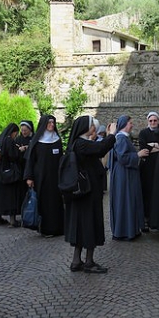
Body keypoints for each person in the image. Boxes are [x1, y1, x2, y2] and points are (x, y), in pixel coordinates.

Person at [65, 116, 117, 274]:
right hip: (89, 191)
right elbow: (101, 149)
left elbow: (97, 148)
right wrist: (112, 134)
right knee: (89, 223)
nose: (94, 128)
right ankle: (88, 262)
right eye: (92, 126)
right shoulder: (82, 144)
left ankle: (76, 260)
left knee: (81, 225)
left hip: (82, 191)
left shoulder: (78, 143)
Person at [109, 115, 149, 241]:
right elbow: (123, 158)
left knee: (129, 200)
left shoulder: (123, 138)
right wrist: (138, 155)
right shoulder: (121, 138)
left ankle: (130, 229)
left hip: (126, 173)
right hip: (124, 175)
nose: (132, 125)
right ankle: (125, 231)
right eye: (130, 123)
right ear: (124, 124)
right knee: (125, 201)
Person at [25, 115, 64, 237]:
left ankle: (59, 228)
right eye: (49, 122)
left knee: (56, 202)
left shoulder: (57, 139)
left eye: (53, 122)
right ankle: (46, 229)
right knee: (45, 203)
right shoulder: (37, 141)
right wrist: (29, 177)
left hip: (55, 177)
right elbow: (30, 160)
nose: (52, 125)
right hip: (41, 177)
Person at [0, 123, 24, 227]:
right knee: (11, 195)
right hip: (9, 172)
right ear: (13, 132)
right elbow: (13, 156)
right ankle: (12, 220)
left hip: (0, 171)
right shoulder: (9, 140)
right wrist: (20, 150)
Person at [138, 111, 159, 230]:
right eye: (151, 121)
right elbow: (144, 149)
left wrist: (152, 145)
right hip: (146, 168)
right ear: (148, 121)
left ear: (158, 121)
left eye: (155, 120)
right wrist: (156, 146)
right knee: (147, 192)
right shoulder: (143, 133)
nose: (153, 123)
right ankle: (146, 218)